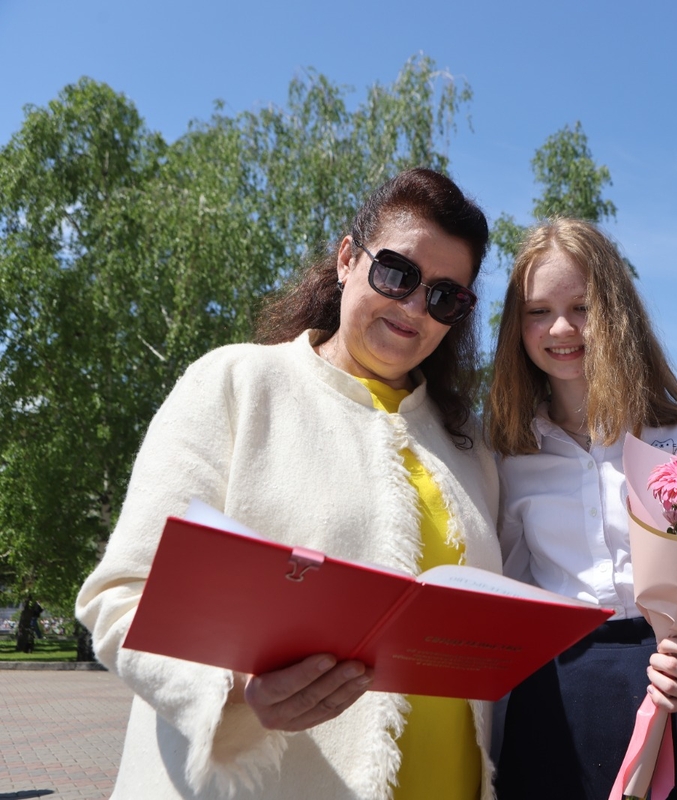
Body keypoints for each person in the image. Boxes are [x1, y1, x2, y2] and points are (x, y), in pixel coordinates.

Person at [75, 169, 502, 799]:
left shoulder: (471, 452)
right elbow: (121, 596)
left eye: (445, 297)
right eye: (397, 273)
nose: (415, 307)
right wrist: (241, 692)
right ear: (346, 259)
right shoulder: (236, 385)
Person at [485, 219, 677, 799]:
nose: (561, 328)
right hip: (555, 711)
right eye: (538, 311)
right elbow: (512, 599)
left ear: (617, 310)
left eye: (582, 306)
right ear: (516, 327)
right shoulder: (508, 455)